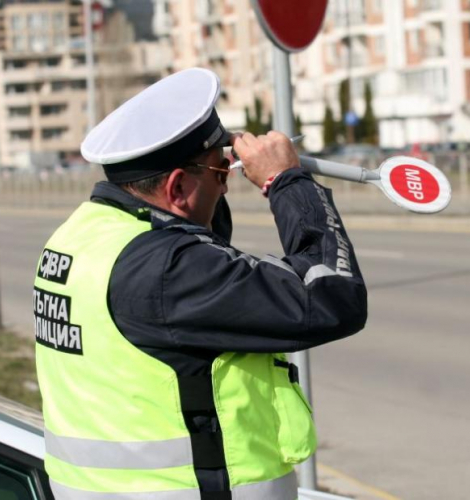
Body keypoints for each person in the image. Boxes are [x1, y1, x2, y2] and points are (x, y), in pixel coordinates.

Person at [34, 68, 367, 500]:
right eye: (220, 174)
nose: (226, 184)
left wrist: (212, 162)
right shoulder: (170, 271)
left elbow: (196, 233)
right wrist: (285, 182)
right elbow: (332, 297)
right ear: (175, 185)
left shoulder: (82, 236)